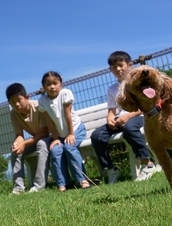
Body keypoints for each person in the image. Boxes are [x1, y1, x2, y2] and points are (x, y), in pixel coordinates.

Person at [90, 51, 156, 183]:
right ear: (110, 70)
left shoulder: (139, 83)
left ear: (130, 65)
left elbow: (147, 105)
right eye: (114, 67)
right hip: (121, 120)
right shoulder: (112, 89)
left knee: (130, 128)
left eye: (121, 65)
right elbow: (111, 111)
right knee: (97, 135)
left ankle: (148, 164)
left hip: (140, 115)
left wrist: (128, 116)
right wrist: (109, 119)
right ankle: (110, 169)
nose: (118, 69)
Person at [37, 71, 90, 191]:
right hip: (60, 135)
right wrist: (55, 139)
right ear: (44, 87)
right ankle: (62, 183)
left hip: (76, 129)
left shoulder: (65, 93)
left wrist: (71, 134)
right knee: (55, 151)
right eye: (48, 84)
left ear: (61, 83)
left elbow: (68, 116)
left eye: (55, 83)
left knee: (69, 147)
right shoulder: (42, 101)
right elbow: (49, 122)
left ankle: (82, 179)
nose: (52, 87)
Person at [6, 83, 51, 194]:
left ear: (27, 97)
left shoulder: (38, 107)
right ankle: (18, 188)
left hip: (51, 137)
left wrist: (24, 144)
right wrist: (17, 143)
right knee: (16, 151)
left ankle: (39, 186)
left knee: (41, 144)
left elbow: (45, 132)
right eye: (12, 102)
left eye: (19, 100)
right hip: (37, 138)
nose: (16, 104)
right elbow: (19, 135)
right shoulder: (13, 114)